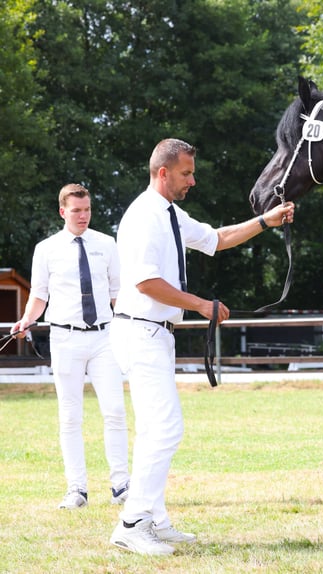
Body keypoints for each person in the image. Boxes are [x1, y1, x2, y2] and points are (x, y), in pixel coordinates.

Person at [108, 138, 295, 556]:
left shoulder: (170, 214)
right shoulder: (142, 217)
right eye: (186, 173)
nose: (192, 180)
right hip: (141, 331)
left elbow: (217, 238)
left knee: (156, 430)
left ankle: (152, 519)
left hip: (155, 333)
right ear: (163, 173)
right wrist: (201, 305)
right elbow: (144, 282)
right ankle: (132, 523)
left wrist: (266, 220)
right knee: (166, 428)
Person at [11, 184, 130, 509]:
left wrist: (128, 326)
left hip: (105, 336)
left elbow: (118, 291)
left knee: (116, 412)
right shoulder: (46, 249)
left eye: (87, 209)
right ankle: (76, 490)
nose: (83, 216)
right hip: (65, 338)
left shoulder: (107, 244)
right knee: (70, 417)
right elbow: (39, 294)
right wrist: (25, 320)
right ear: (63, 211)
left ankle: (122, 486)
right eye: (77, 210)